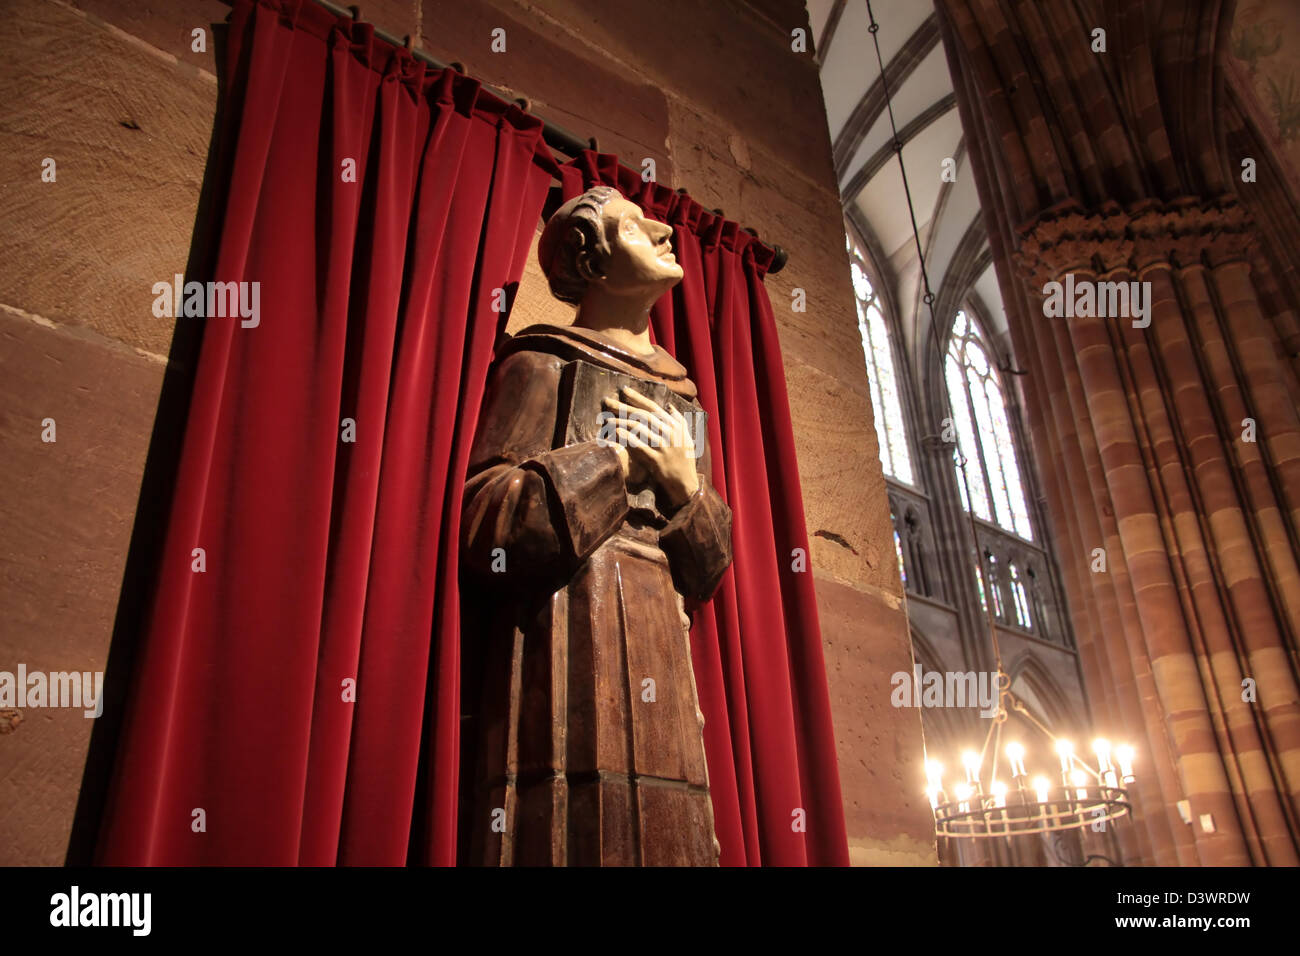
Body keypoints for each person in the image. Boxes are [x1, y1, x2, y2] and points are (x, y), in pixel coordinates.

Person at [460, 186, 733, 865]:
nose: (665, 229)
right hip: (564, 632)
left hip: (663, 655)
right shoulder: (540, 362)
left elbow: (707, 572)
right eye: (637, 227)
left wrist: (684, 485)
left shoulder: (681, 396)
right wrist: (615, 459)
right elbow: (487, 520)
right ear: (593, 260)